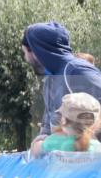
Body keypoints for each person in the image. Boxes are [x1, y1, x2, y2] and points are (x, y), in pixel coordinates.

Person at [22, 22, 101, 157]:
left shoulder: (77, 71)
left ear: (35, 51)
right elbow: (47, 126)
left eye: (25, 52)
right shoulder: (50, 80)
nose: (25, 58)